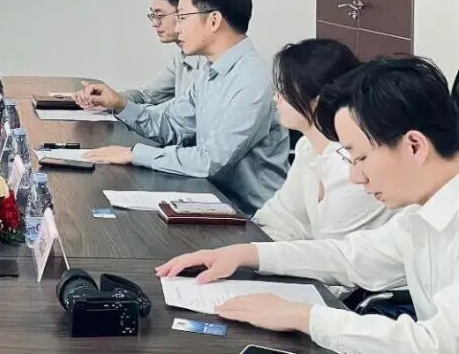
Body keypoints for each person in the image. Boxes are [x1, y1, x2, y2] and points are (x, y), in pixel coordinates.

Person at [157, 57, 459, 353]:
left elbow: (437, 343)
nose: (356, 176)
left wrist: (302, 316)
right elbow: (350, 257)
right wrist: (246, 254)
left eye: (361, 158)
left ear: (414, 146)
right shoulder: (421, 214)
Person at [76, 0, 288, 214]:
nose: (177, 28)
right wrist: (120, 104)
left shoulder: (252, 79)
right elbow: (171, 124)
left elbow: (211, 160)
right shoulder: (211, 71)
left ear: (214, 20)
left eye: (183, 18)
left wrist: (134, 154)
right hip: (212, 200)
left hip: (252, 218)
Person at [253, 38, 397, 242]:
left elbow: (331, 253)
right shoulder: (307, 147)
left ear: (318, 99)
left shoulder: (350, 165)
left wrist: (260, 251)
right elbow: (280, 217)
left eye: (284, 92)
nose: (276, 99)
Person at [88, 0, 208, 107]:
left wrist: (119, 104)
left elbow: (182, 115)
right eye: (153, 16)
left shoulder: (208, 62)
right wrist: (107, 99)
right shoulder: (181, 59)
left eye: (160, 15)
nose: (155, 23)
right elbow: (145, 95)